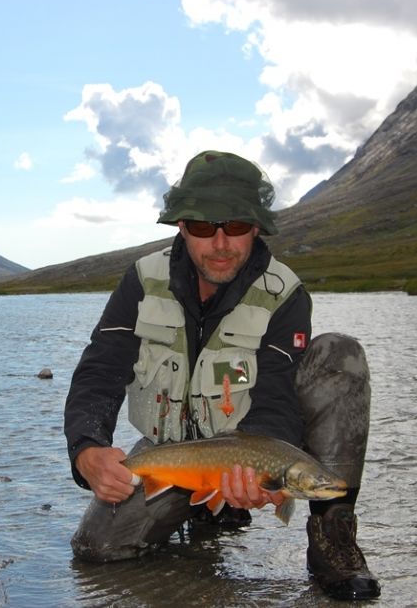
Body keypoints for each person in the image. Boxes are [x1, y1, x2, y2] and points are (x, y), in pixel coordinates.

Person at [63, 150, 381, 601]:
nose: (220, 244)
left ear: (255, 227)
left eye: (234, 227)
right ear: (181, 226)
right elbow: (100, 369)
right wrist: (88, 449)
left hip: (248, 445)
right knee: (98, 550)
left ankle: (334, 533)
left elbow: (276, 395)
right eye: (202, 227)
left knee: (339, 353)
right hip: (170, 452)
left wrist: (257, 469)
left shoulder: (284, 294)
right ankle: (204, 512)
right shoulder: (141, 281)